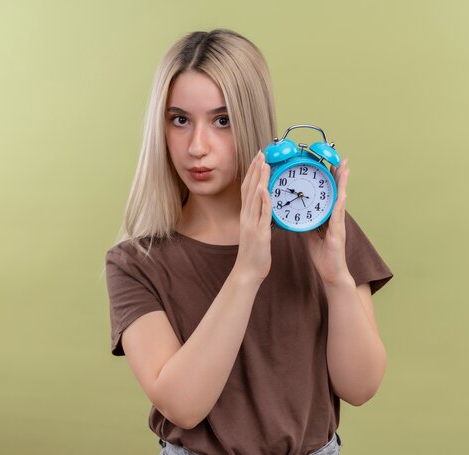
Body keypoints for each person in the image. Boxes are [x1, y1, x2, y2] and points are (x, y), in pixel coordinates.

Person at [104, 29, 393, 455]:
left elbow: (361, 386)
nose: (197, 147)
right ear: (160, 128)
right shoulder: (136, 262)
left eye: (223, 120)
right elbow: (183, 406)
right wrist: (246, 272)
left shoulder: (316, 226)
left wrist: (337, 278)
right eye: (180, 119)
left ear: (252, 120)